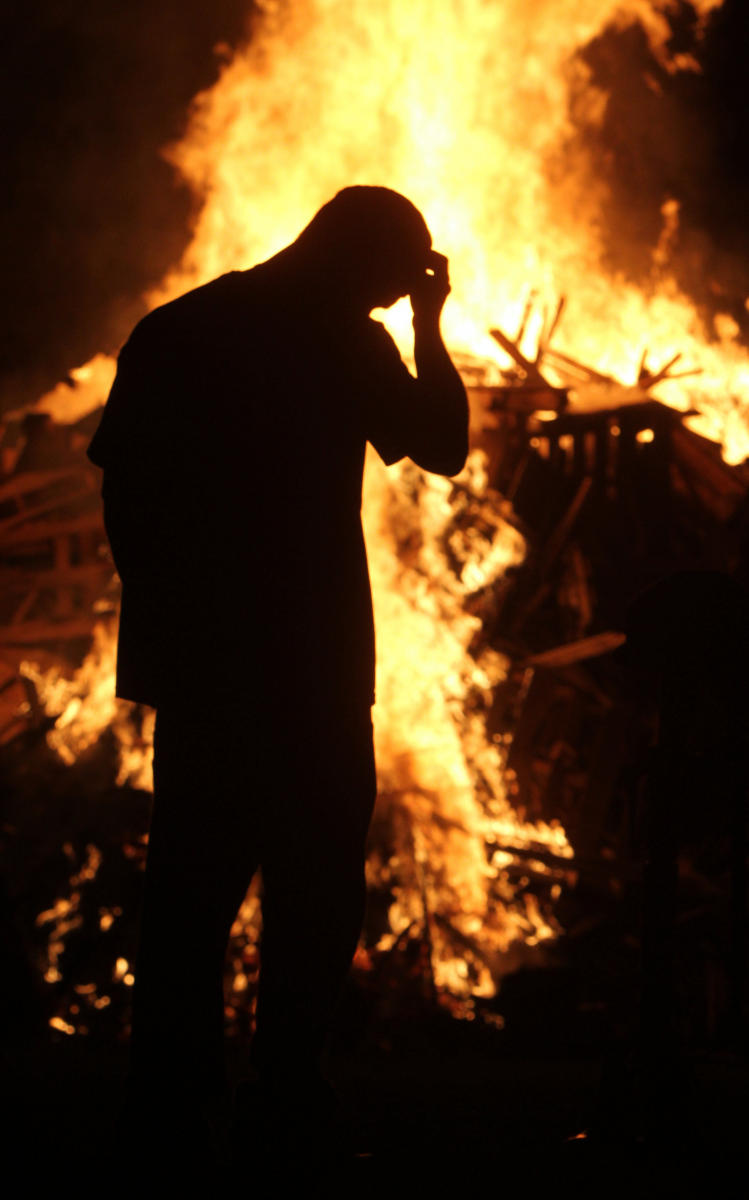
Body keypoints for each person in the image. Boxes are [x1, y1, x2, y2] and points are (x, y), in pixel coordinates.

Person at [87, 185, 468, 1162]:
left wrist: (172, 618)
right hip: (311, 664)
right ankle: (283, 1085)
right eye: (394, 283)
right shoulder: (342, 338)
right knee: (313, 886)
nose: (393, 301)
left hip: (208, 667)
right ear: (364, 261)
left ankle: (168, 1095)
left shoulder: (180, 329)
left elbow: (124, 495)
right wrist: (430, 326)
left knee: (189, 889)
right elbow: (443, 443)